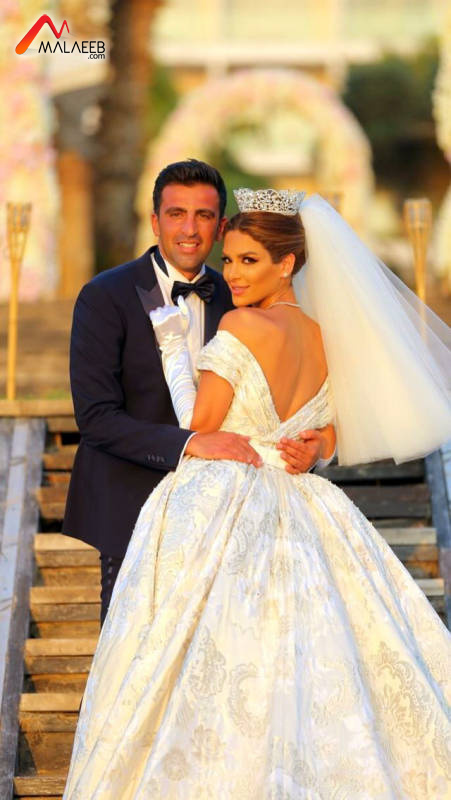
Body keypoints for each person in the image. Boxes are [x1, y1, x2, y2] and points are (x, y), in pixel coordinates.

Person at [63, 190, 451, 799]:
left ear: (287, 263)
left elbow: (202, 425)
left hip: (225, 497)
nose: (233, 275)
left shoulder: (241, 324)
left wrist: (175, 354)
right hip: (304, 501)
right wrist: (322, 441)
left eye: (248, 261)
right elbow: (347, 417)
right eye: (231, 260)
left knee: (196, 653)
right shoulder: (328, 337)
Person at [62, 161, 320, 624]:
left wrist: (316, 446)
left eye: (203, 216)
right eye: (176, 214)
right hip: (132, 506)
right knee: (134, 651)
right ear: (155, 220)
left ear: (220, 226)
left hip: (231, 520)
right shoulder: (104, 296)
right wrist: (191, 442)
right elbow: (96, 417)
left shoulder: (241, 296)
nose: (189, 229)